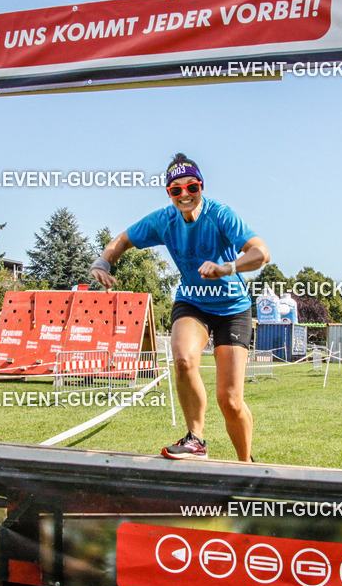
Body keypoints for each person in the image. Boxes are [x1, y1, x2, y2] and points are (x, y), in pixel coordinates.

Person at [91, 153, 270, 462]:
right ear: (169, 194)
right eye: (176, 190)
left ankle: (246, 465)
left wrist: (227, 268)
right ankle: (196, 439)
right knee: (184, 360)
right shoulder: (164, 220)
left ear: (201, 186)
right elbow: (122, 239)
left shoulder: (220, 215)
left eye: (192, 187)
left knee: (229, 401)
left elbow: (261, 253)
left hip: (233, 308)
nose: (185, 194)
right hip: (192, 302)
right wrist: (103, 262)